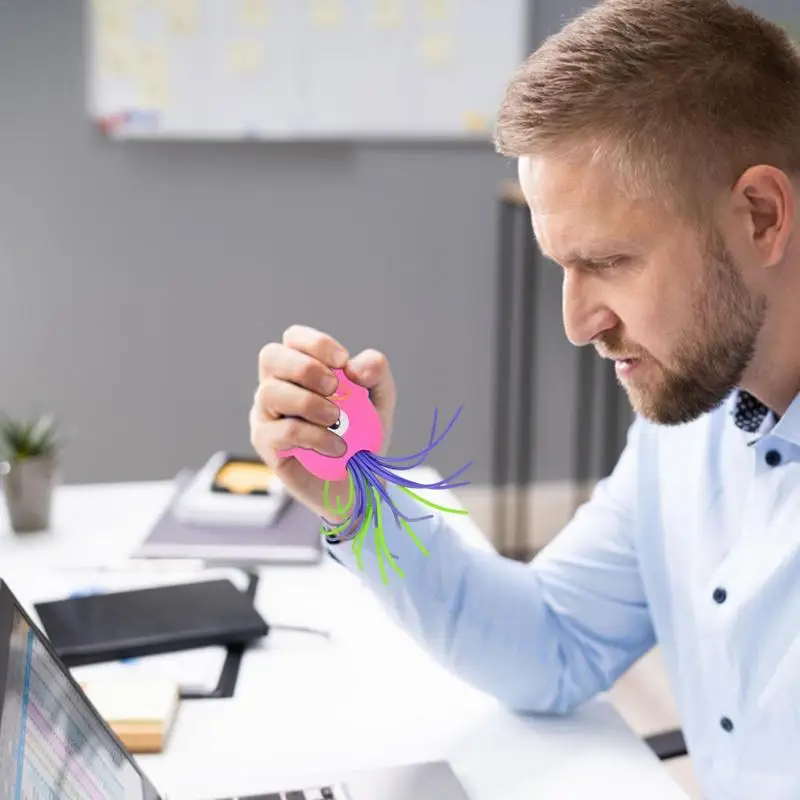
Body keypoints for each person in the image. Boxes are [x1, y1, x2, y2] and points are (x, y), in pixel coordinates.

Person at [249, 1, 800, 797]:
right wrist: (357, 499)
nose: (577, 324)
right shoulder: (695, 420)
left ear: (761, 215)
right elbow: (555, 643)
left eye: (609, 260)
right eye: (561, 267)